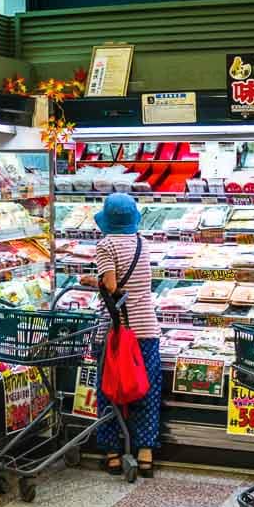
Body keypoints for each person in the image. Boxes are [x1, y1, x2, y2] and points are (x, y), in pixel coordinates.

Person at [90, 193, 161, 477]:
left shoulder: (106, 245)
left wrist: (88, 280)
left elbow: (110, 286)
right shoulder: (143, 243)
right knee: (146, 390)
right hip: (147, 329)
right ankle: (145, 455)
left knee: (109, 390)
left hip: (117, 332)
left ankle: (112, 455)